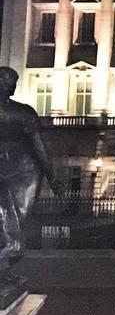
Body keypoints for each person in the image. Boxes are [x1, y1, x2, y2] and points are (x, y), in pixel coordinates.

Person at [0, 65, 63, 269]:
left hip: (19, 168)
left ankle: (8, 260)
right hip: (21, 168)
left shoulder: (22, 113)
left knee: (11, 219)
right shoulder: (23, 113)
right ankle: (10, 252)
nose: (14, 87)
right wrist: (53, 179)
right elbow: (39, 148)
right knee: (16, 218)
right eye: (12, 83)